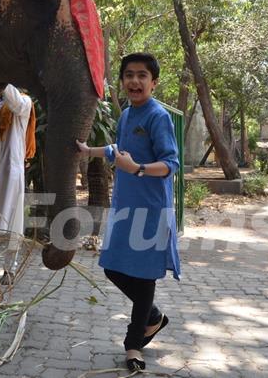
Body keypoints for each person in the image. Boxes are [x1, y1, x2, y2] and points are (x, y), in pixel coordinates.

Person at [76, 53, 180, 371]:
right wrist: (89, 150)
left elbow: (171, 164)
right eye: (129, 75)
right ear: (122, 81)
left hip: (150, 210)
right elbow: (117, 151)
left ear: (153, 82)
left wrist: (136, 169)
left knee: (144, 276)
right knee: (113, 267)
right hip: (125, 208)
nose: (135, 81)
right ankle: (152, 317)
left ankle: (134, 345)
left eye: (142, 75)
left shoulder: (157, 116)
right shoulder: (126, 116)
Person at [0, 83, 35, 284]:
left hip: (12, 170)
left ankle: (9, 269)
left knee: (13, 224)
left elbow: (13, 101)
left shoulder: (24, 102)